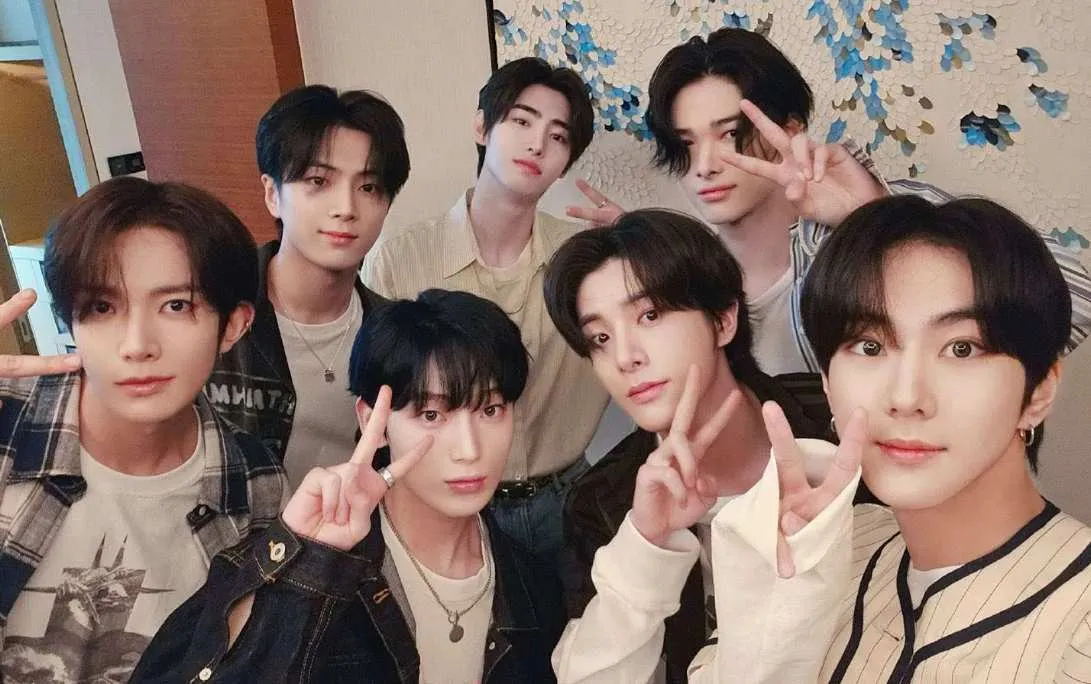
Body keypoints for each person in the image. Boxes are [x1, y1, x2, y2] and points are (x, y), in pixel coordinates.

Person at [561, 195, 1091, 682]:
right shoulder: (835, 549)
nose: (906, 397)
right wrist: (651, 551)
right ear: (829, 385)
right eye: (870, 346)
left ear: (1040, 390)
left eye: (962, 348)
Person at [566, 28, 1091, 376]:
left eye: (728, 135)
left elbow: (1077, 302)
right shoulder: (695, 275)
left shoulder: (874, 216)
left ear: (790, 130)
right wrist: (649, 262)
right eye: (685, 144)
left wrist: (872, 220)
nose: (704, 164)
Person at [131, 290, 567, 683]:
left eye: (490, 410)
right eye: (432, 415)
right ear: (371, 419)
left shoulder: (534, 585)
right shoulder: (304, 559)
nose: (469, 450)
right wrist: (303, 576)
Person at [0, 177, 285, 684]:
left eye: (175, 305)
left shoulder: (255, 482)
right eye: (103, 307)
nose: (137, 345)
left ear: (234, 325)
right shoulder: (8, 423)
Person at [542, 208, 838, 683]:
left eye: (650, 315)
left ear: (723, 320)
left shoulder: (834, 423)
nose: (624, 357)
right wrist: (646, 543)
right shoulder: (602, 502)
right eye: (600, 338)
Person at [363, 57, 608, 559]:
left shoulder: (587, 259)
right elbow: (374, 392)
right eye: (521, 121)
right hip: (443, 502)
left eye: (558, 137)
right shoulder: (401, 260)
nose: (537, 145)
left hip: (568, 499)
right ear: (482, 127)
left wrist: (640, 250)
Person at [206, 84, 408, 489]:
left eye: (368, 187)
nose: (345, 209)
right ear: (272, 194)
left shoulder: (395, 336)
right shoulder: (213, 318)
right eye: (318, 180)